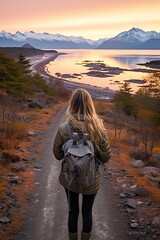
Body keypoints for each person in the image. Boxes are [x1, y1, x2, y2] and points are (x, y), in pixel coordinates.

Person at [53, 88, 111, 240]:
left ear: (72, 105)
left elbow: (58, 155)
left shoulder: (63, 129)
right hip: (91, 180)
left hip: (70, 179)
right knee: (87, 212)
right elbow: (105, 157)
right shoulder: (98, 128)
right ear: (90, 105)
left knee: (73, 213)